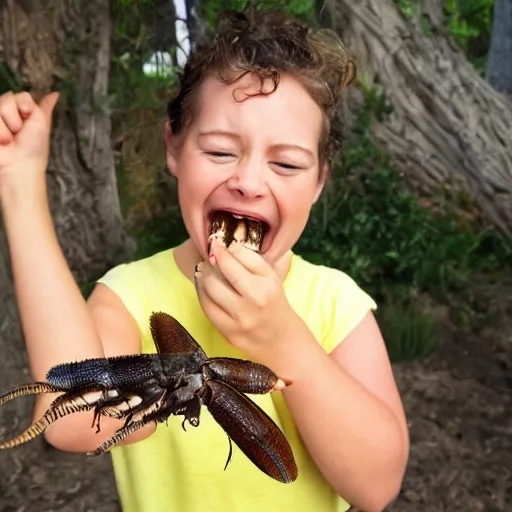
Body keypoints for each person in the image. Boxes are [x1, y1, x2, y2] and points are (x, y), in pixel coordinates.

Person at [0, 5, 409, 512]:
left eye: (285, 162)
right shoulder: (129, 297)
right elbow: (74, 422)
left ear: (319, 181)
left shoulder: (335, 303)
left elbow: (376, 486)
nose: (249, 181)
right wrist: (18, 184)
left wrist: (282, 337)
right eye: (219, 152)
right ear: (174, 148)